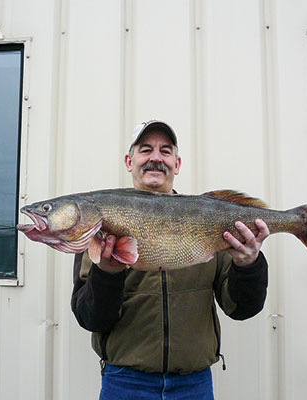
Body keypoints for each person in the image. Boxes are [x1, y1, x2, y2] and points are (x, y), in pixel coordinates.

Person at [71, 120, 270, 399]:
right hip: (124, 384)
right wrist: (107, 273)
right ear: (129, 161)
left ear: (177, 164)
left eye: (165, 151)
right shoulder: (100, 228)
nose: (155, 157)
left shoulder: (213, 220)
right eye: (145, 149)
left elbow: (241, 308)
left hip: (193, 385)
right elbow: (90, 318)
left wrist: (249, 265)